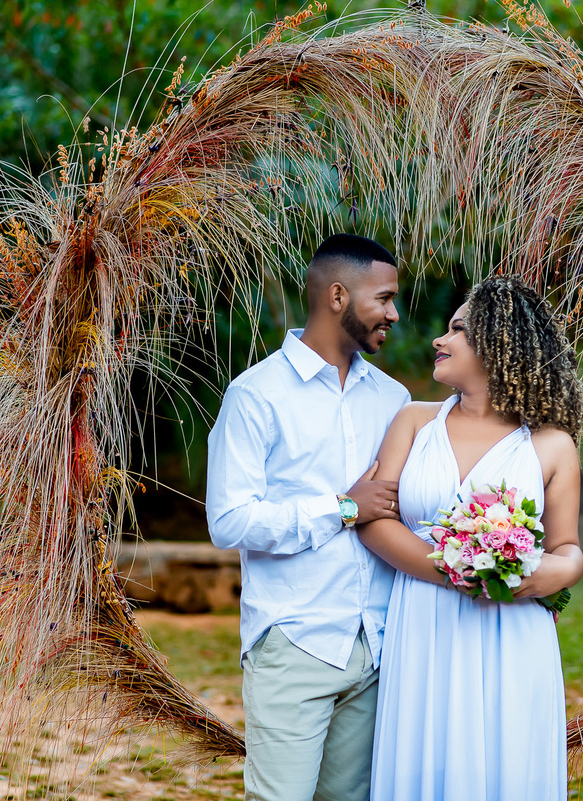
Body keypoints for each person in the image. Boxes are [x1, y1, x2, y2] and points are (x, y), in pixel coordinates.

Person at [358, 275, 583, 801]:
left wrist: (558, 571)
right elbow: (374, 519)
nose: (440, 340)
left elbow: (567, 547)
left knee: (504, 763)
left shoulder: (552, 445)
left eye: (458, 329)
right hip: (424, 623)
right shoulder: (413, 423)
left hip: (512, 628)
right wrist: (459, 568)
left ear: (500, 345)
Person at [206, 233, 411, 801]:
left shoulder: (393, 400)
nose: (394, 314)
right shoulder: (256, 396)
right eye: (385, 298)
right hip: (295, 643)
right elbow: (230, 521)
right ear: (339, 296)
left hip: (376, 643)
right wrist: (343, 509)